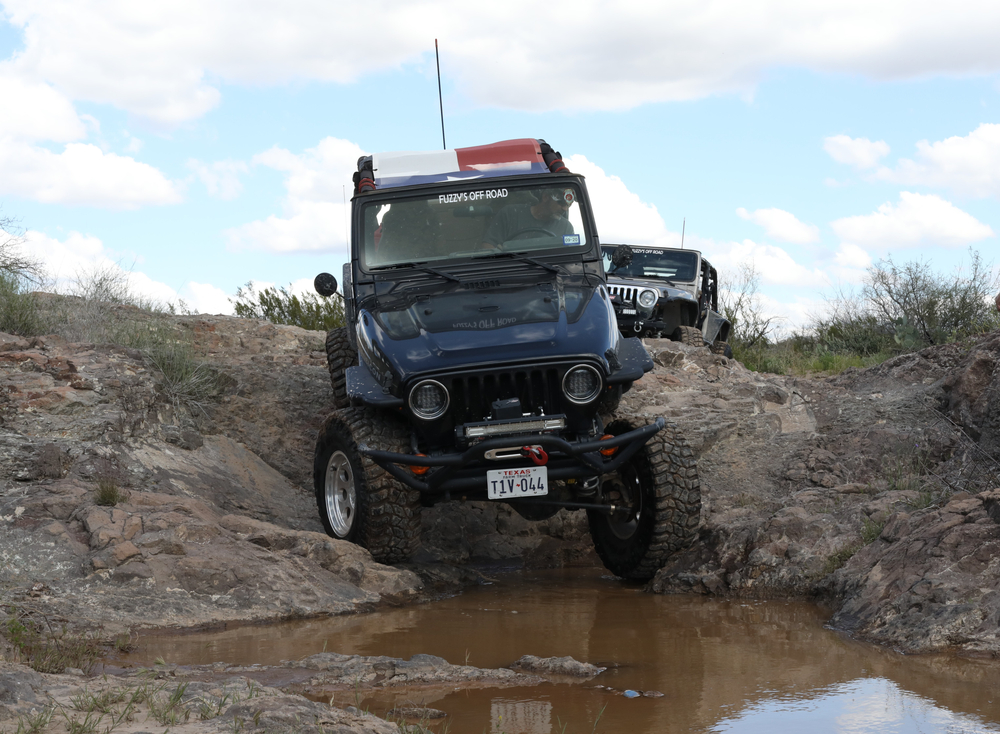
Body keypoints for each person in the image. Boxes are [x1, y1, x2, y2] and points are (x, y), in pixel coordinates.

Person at [483, 188, 576, 248]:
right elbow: (488, 245)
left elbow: (571, 258)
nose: (565, 209)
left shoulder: (566, 228)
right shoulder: (509, 214)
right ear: (545, 197)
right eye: (561, 203)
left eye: (568, 205)